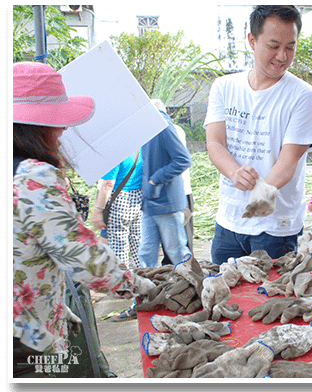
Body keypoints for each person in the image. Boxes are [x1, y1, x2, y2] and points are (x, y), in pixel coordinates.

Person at [12, 62, 152, 377]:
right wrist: (141, 286)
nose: (62, 132)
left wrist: (57, 308)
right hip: (23, 337)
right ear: (37, 127)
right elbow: (85, 258)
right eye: (57, 123)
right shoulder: (35, 176)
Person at [204, 6, 312, 265]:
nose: (282, 56)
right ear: (252, 41)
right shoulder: (224, 87)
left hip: (275, 229)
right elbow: (214, 143)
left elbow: (288, 162)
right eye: (274, 45)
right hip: (228, 223)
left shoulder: (303, 96)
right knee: (226, 299)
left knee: (272, 300)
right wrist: (234, 172)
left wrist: (260, 196)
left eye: (290, 47)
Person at [138, 99, 192, 269]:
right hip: (150, 203)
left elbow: (183, 160)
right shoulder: (148, 129)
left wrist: (156, 179)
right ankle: (145, 294)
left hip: (167, 204)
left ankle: (193, 289)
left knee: (177, 253)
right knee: (146, 253)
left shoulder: (163, 125)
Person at [92, 151, 143, 269]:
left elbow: (108, 184)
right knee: (139, 244)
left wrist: (98, 211)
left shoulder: (115, 154)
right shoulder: (141, 149)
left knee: (119, 248)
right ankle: (146, 275)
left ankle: (123, 282)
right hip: (138, 198)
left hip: (119, 200)